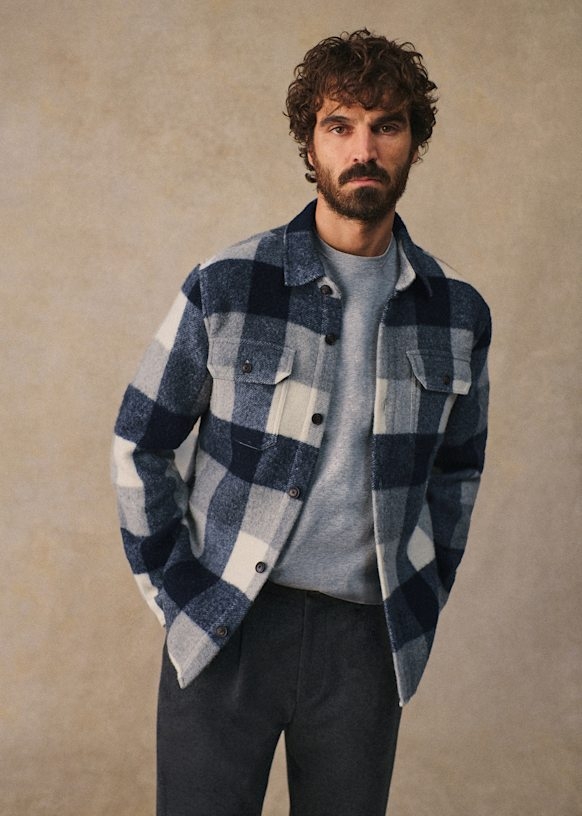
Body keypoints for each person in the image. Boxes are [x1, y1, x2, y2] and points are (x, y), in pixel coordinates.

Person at [112, 29, 491, 816]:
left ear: (413, 143)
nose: (364, 149)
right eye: (339, 125)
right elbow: (140, 441)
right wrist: (181, 595)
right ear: (310, 143)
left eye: (386, 125)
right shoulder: (227, 283)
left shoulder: (457, 313)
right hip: (228, 625)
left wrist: (422, 591)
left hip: (364, 643)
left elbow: (458, 472)